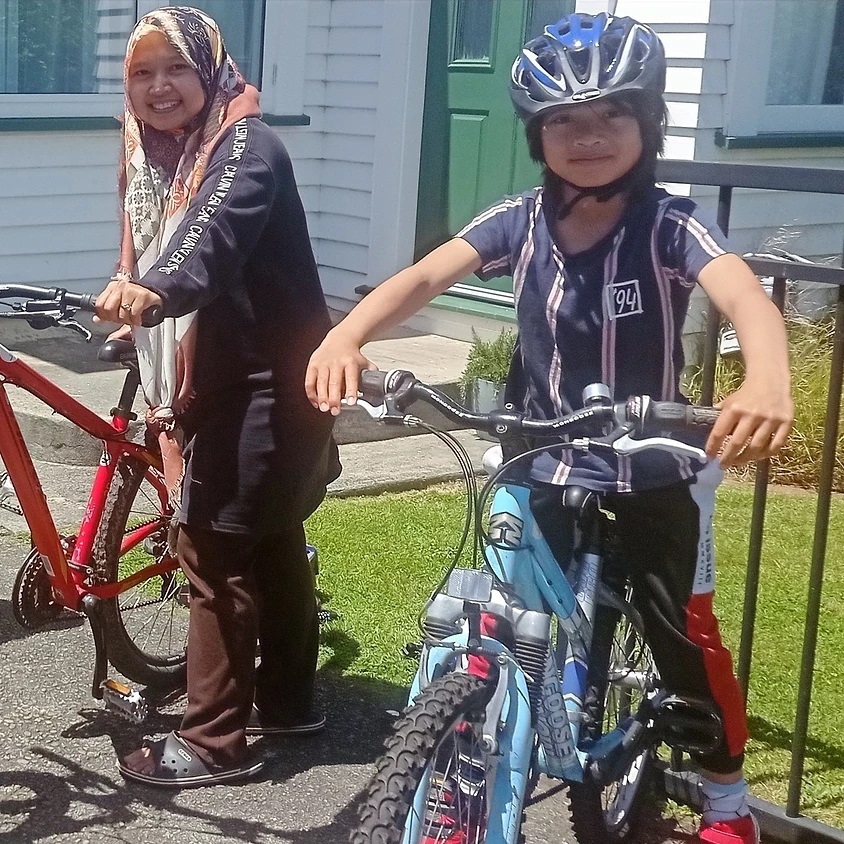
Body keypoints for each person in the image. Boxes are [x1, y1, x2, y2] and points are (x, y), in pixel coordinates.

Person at [305, 12, 792, 844]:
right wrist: (345, 334)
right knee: (501, 608)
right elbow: (424, 276)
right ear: (538, 135)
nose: (589, 136)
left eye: (611, 116)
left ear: (648, 124)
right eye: (565, 120)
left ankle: (726, 799)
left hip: (650, 465)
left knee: (682, 635)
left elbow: (741, 291)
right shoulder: (519, 221)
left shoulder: (669, 223)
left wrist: (770, 375)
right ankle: (497, 736)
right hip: (538, 458)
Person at [95, 6, 340, 788]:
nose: (159, 87)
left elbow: (211, 236)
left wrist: (153, 292)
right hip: (247, 374)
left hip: (266, 382)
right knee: (268, 538)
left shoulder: (246, 147)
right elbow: (167, 233)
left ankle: (212, 742)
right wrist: (136, 308)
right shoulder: (155, 157)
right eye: (142, 72)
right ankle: (291, 703)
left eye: (176, 68)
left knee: (211, 549)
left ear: (210, 69)